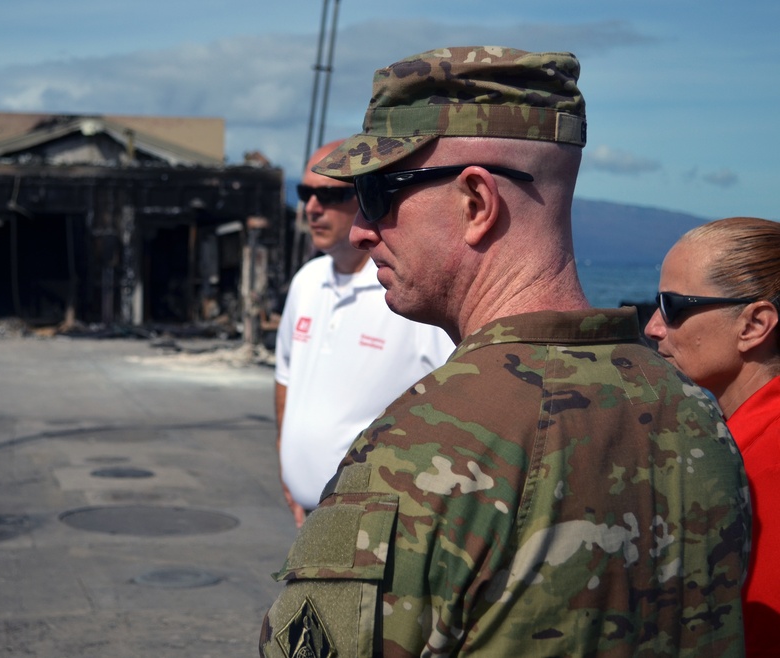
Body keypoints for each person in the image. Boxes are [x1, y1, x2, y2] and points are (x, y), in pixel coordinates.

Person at [260, 46, 749, 657]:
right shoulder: (699, 417)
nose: (362, 227)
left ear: (476, 203)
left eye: (379, 192)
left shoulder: (418, 456)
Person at [275, 139, 454, 527]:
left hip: (374, 525)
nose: (311, 207)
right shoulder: (306, 282)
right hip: (308, 518)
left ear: (364, 198)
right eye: (305, 192)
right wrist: (288, 465)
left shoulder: (404, 294)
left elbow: (461, 405)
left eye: (329, 194)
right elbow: (285, 377)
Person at [644, 216, 780, 658]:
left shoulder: (762, 464)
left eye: (673, 306)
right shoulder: (740, 439)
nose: (652, 327)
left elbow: (756, 630)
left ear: (755, 325)